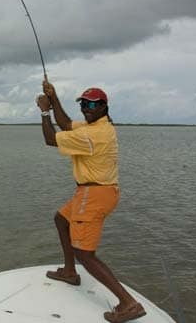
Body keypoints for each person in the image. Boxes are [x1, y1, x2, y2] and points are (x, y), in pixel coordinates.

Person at [36, 81, 146, 323]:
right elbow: (65, 124)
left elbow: (52, 139)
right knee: (61, 219)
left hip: (95, 194)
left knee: (84, 252)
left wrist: (44, 111)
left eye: (93, 104)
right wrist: (53, 97)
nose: (87, 108)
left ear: (104, 107)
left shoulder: (92, 135)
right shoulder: (95, 125)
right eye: (84, 103)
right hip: (93, 191)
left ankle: (129, 304)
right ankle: (69, 272)